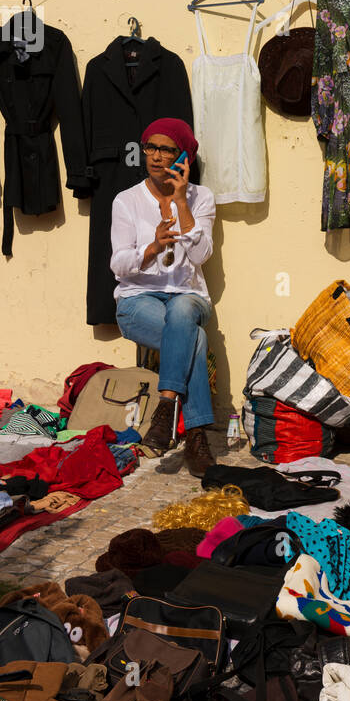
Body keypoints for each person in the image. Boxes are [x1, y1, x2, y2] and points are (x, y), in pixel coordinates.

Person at [110, 117, 217, 475]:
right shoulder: (126, 201)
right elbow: (119, 264)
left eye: (166, 149)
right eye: (150, 148)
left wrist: (182, 203)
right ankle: (198, 436)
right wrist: (153, 248)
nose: (156, 156)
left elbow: (202, 256)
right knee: (194, 338)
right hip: (137, 301)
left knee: (185, 310)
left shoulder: (203, 198)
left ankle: (166, 406)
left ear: (182, 157)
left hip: (189, 295)